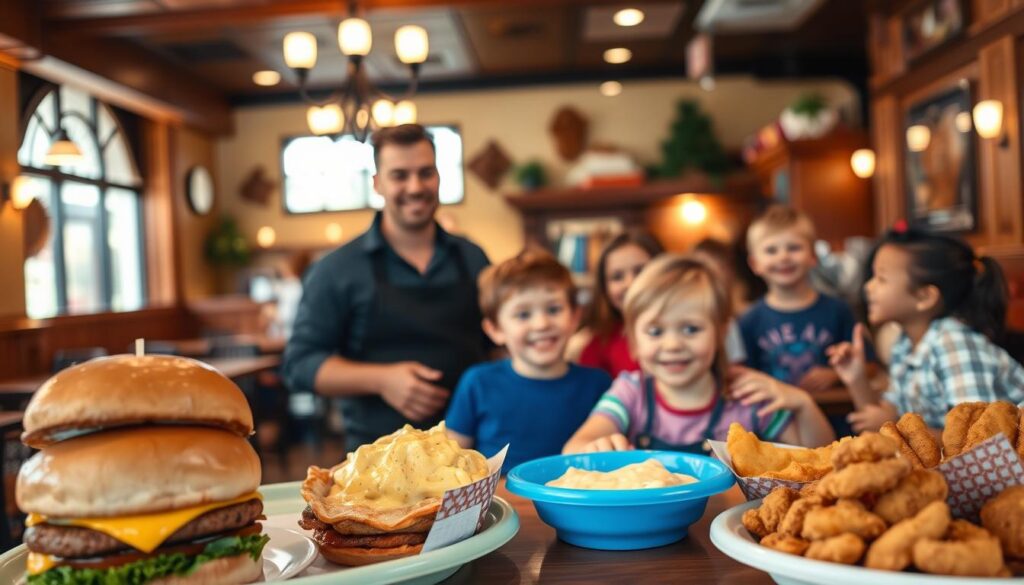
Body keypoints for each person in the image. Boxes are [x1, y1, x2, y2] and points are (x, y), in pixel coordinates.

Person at [282, 124, 491, 452]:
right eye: (399, 175)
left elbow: (496, 344)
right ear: (377, 183)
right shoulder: (336, 270)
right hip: (376, 460)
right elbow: (299, 366)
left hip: (469, 452)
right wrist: (382, 379)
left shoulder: (472, 257)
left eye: (426, 173)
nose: (415, 186)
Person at [563, 255, 834, 454]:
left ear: (721, 332)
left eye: (691, 329)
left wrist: (803, 403)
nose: (672, 345)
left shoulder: (748, 397)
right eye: (655, 332)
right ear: (634, 340)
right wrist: (596, 447)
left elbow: (815, 456)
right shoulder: (629, 393)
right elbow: (573, 448)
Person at [828, 226, 1024, 432]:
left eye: (881, 279)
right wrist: (856, 379)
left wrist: (896, 428)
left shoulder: (955, 346)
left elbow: (977, 441)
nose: (868, 287)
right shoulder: (904, 345)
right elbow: (876, 424)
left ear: (924, 297)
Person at [446, 249, 611, 472]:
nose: (541, 324)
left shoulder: (599, 384)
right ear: (495, 329)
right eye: (523, 314)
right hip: (501, 503)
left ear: (574, 317)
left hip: (574, 502)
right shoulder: (478, 382)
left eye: (553, 309)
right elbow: (450, 461)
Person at [739, 205, 857, 393]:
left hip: (833, 415)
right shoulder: (749, 321)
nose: (783, 257)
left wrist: (835, 374)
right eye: (771, 250)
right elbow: (743, 378)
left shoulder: (838, 311)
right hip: (775, 420)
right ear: (755, 263)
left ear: (813, 256)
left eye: (794, 248)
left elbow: (869, 366)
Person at [575, 231, 663, 378]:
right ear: (604, 288)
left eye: (640, 271)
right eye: (617, 277)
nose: (630, 284)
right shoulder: (597, 344)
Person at [690, 238, 748, 364]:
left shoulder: (737, 319)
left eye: (719, 267)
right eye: (701, 267)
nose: (707, 276)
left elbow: (736, 365)